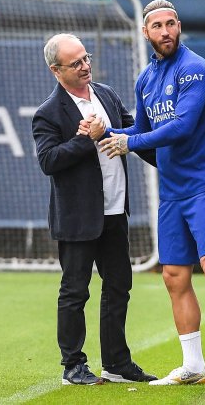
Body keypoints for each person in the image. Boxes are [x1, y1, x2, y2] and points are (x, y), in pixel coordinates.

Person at [95, 0, 205, 389]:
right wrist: (106, 133)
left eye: (170, 24)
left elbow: (181, 127)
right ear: (145, 33)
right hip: (172, 194)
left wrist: (128, 143)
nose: (165, 32)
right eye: (157, 27)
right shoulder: (146, 79)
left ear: (179, 26)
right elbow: (140, 129)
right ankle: (193, 366)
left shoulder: (195, 69)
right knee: (174, 275)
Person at [32, 33, 157, 386]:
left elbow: (134, 133)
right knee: (75, 292)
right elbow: (49, 161)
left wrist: (167, 156)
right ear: (57, 71)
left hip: (115, 211)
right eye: (76, 63)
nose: (86, 67)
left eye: (86, 58)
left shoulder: (106, 94)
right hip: (77, 218)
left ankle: (116, 363)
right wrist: (86, 139)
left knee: (119, 286)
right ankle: (73, 366)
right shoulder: (48, 113)